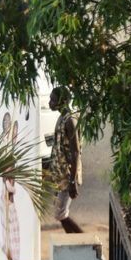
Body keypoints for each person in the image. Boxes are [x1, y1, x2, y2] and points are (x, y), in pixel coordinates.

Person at [48, 86, 83, 234]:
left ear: (62, 101)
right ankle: (77, 241)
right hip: (60, 174)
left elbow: (75, 152)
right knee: (61, 213)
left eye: (53, 100)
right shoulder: (61, 117)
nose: (50, 103)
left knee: (60, 214)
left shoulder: (69, 121)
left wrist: (72, 182)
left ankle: (83, 242)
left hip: (67, 175)